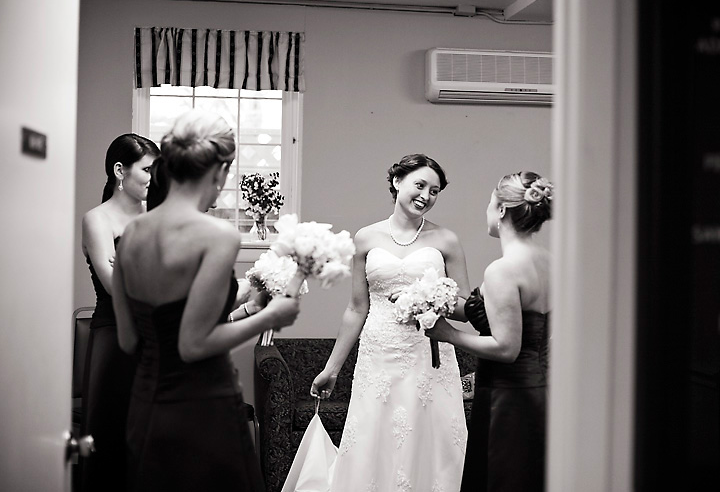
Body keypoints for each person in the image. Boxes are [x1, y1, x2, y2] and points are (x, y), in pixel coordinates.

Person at [111, 109, 300, 492]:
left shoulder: (132, 234)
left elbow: (130, 339)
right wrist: (271, 316)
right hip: (202, 408)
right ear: (220, 170)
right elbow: (194, 343)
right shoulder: (217, 235)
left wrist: (247, 305)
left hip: (145, 406)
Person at [311, 153, 471, 492]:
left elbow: (465, 308)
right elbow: (356, 308)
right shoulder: (365, 238)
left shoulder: (446, 240)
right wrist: (332, 369)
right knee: (374, 442)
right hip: (378, 356)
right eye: (420, 185)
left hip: (428, 358)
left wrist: (428, 297)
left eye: (435, 191)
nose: (426, 196)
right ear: (397, 182)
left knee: (432, 443)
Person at [425, 171, 552, 492]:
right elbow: (491, 314)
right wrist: (427, 297)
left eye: (489, 202)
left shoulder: (503, 270)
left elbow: (506, 348)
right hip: (540, 392)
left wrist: (447, 334)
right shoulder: (550, 263)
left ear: (501, 209)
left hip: (507, 398)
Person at [80, 133, 159, 491]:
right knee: (111, 439)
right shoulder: (97, 220)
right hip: (114, 339)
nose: (154, 179)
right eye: (147, 170)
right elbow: (114, 286)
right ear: (119, 171)